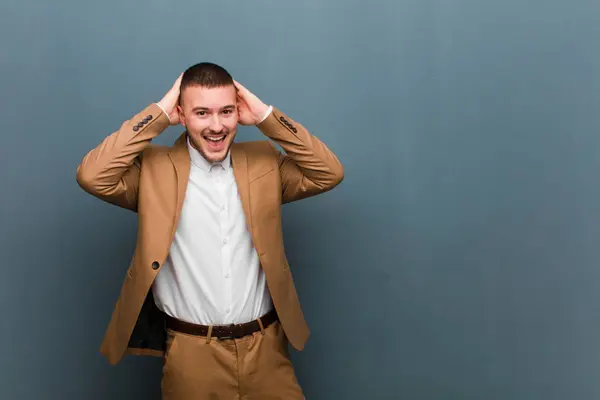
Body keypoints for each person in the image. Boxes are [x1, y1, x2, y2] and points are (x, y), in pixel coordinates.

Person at [76, 62, 344, 399]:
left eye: (226, 112)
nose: (216, 126)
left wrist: (266, 117)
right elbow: (93, 176)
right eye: (202, 113)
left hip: (266, 348)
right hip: (192, 355)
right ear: (182, 115)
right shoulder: (154, 170)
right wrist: (158, 113)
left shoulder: (264, 161)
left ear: (238, 112)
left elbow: (328, 172)